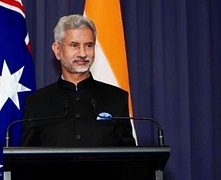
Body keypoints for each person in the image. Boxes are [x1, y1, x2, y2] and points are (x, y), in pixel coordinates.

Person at [20, 14, 135, 147]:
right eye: (74, 45)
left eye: (89, 45)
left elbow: (129, 157)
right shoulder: (36, 102)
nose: (83, 54)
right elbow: (27, 160)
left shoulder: (116, 98)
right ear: (57, 50)